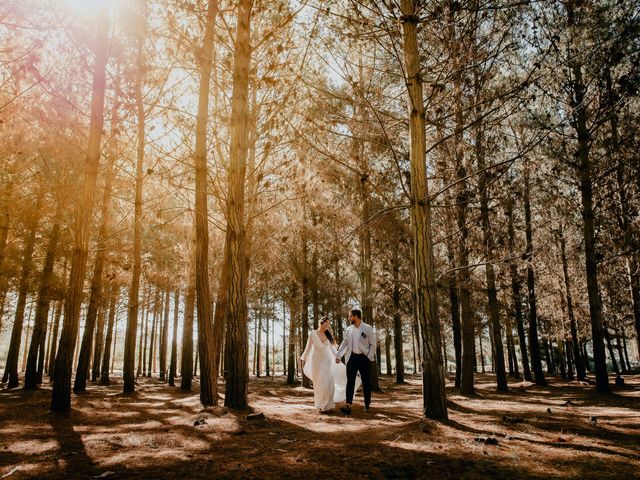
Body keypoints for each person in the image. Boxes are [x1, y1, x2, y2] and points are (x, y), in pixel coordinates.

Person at [335, 309, 376, 414]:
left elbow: (373, 344)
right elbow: (344, 343)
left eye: (350, 316)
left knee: (366, 382)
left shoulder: (367, 328)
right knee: (350, 382)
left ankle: (367, 403)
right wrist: (339, 355)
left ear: (356, 316)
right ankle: (348, 405)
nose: (349, 318)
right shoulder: (349, 329)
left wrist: (369, 357)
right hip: (352, 358)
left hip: (364, 358)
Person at [300, 317, 340, 412]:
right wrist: (304, 359)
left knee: (329, 383)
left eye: (328, 323)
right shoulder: (313, 333)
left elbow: (333, 349)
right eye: (325, 323)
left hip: (327, 361)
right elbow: (308, 348)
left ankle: (328, 405)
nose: (327, 325)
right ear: (321, 323)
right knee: (319, 383)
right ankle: (320, 405)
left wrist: (338, 357)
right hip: (317, 362)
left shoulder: (328, 334)